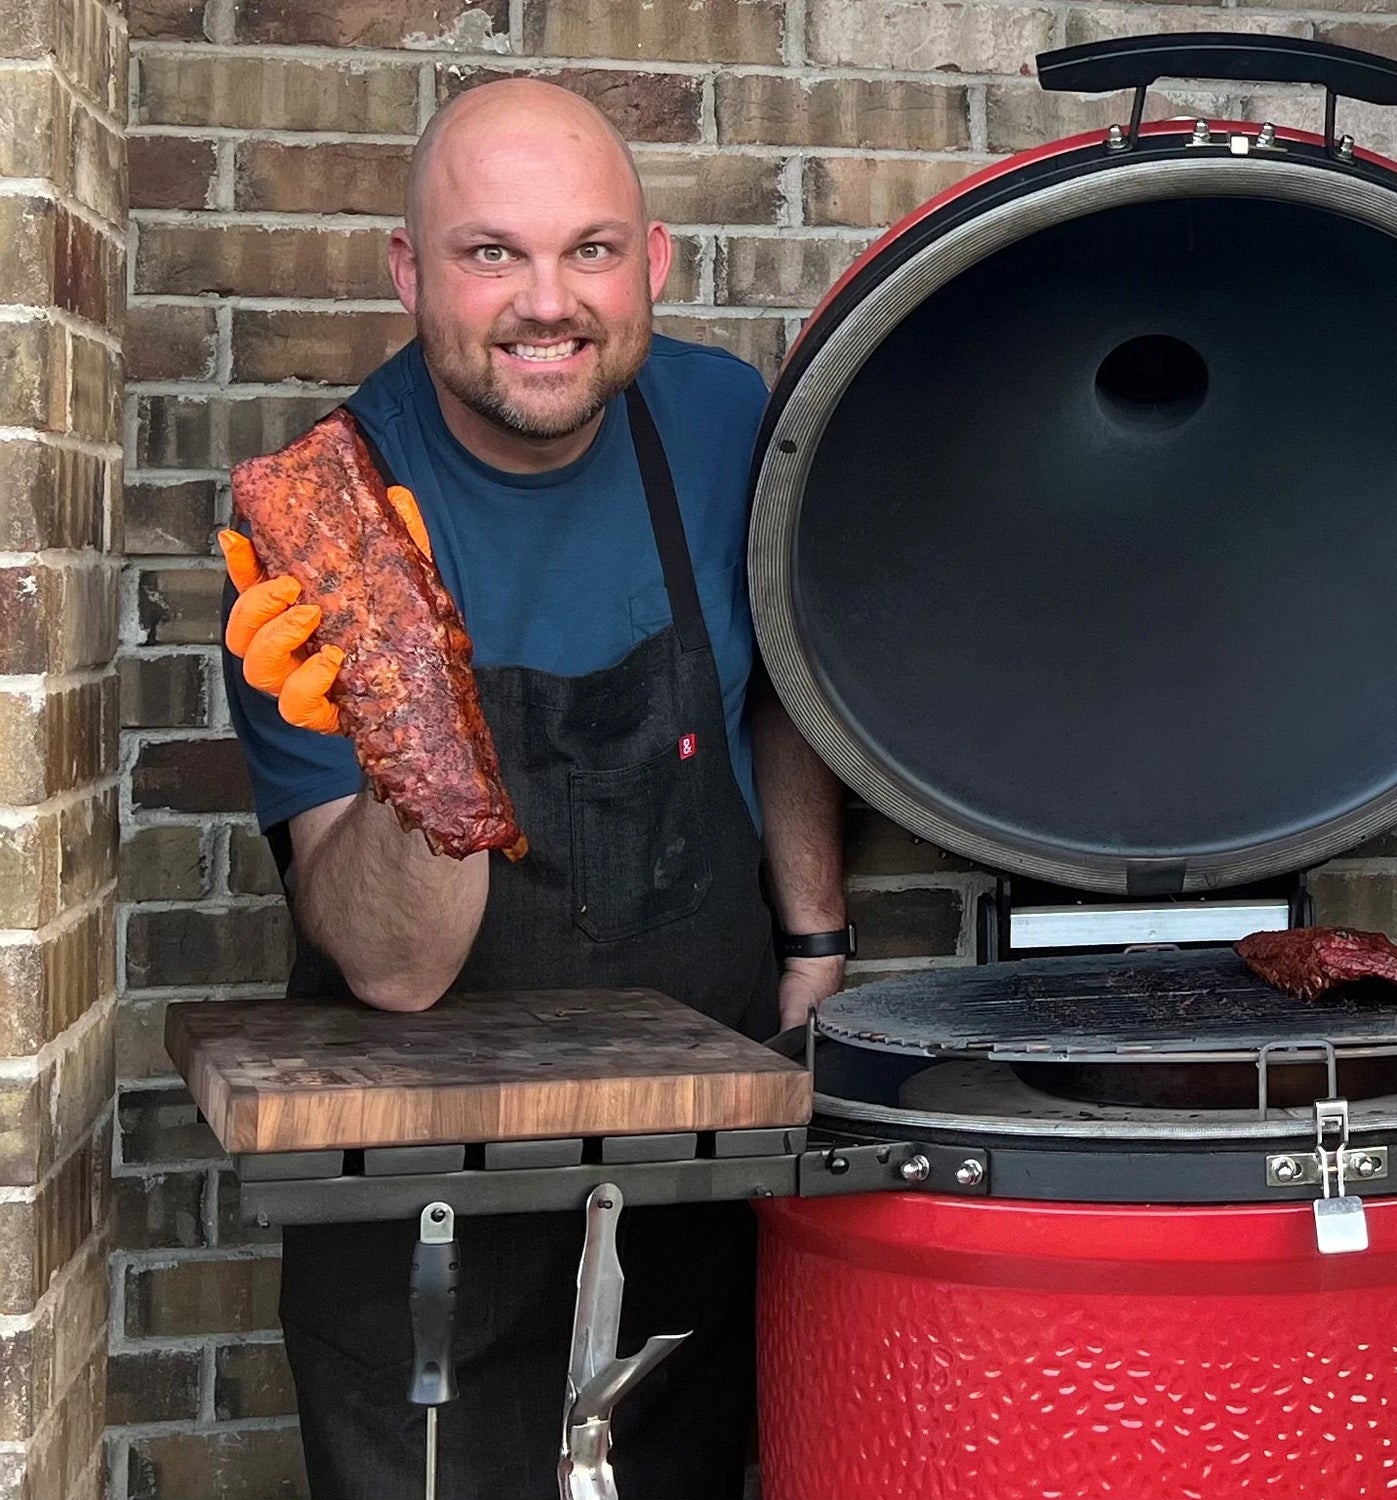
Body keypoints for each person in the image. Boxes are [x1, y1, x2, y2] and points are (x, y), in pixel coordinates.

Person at [217, 77, 848, 1500]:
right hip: (423, 1203)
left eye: (591, 250)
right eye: (490, 252)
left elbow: (782, 686)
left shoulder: (725, 419)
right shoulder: (318, 524)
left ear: (656, 261)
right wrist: (404, 705)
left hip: (695, 1149)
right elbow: (391, 970)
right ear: (408, 272)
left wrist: (815, 933)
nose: (546, 302)